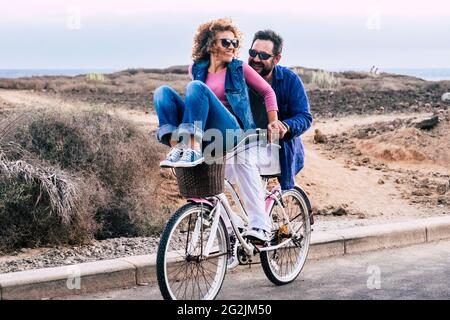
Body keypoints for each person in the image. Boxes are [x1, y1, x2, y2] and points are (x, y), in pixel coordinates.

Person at [152, 18, 285, 242]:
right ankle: (180, 147)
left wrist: (274, 121)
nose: (232, 46)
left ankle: (192, 147)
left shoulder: (238, 68)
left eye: (235, 42)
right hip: (209, 136)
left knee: (196, 88)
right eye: (226, 42)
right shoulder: (196, 68)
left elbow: (268, 92)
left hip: (233, 129)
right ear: (210, 44)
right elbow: (198, 106)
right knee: (162, 93)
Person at [247, 29, 313, 190]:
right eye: (253, 53)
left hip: (279, 150)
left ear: (276, 58)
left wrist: (284, 126)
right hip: (246, 144)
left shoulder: (289, 80)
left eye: (263, 55)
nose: (256, 59)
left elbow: (304, 116)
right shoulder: (239, 79)